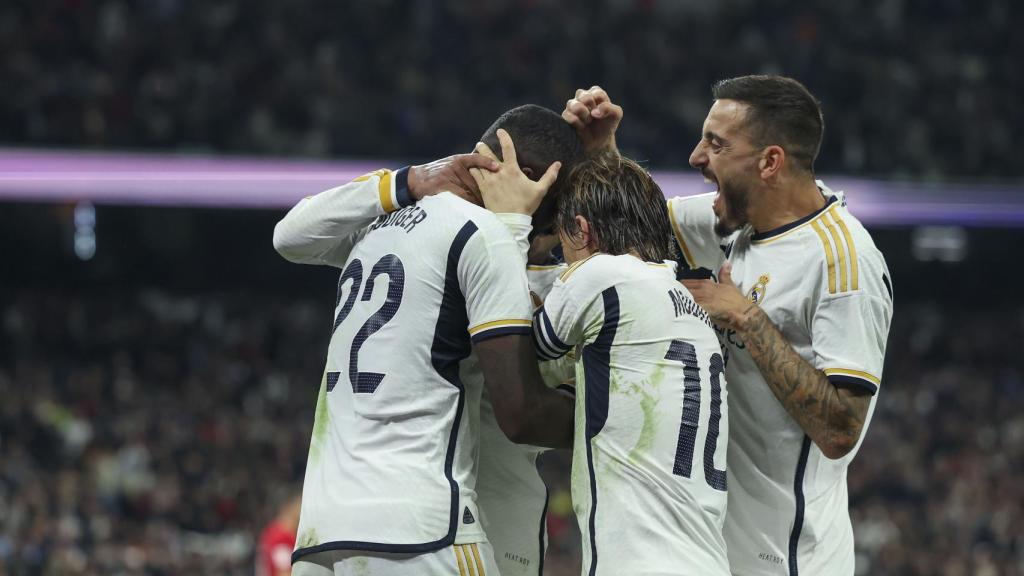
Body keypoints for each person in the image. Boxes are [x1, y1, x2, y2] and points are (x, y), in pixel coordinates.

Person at [564, 77, 893, 575]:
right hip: (711, 554)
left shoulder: (843, 263)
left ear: (770, 162)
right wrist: (601, 153)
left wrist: (746, 317)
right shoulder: (731, 221)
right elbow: (628, 232)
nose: (696, 157)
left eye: (716, 144)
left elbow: (840, 430)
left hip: (789, 561)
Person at [273, 105, 583, 575]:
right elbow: (522, 412)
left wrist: (406, 181)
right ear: (531, 180)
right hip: (420, 527)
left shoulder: (382, 223)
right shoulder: (486, 238)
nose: (553, 229)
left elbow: (289, 235)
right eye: (555, 210)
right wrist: (612, 414)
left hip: (323, 528)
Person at [484, 153, 731, 575]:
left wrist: (510, 224)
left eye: (562, 244)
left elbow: (517, 347)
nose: (562, 259)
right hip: (705, 558)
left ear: (581, 230)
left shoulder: (601, 274)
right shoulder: (686, 304)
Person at [257, 492, 302, 576]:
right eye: (300, 505)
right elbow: (284, 573)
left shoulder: (273, 531)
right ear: (289, 507)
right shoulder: (281, 538)